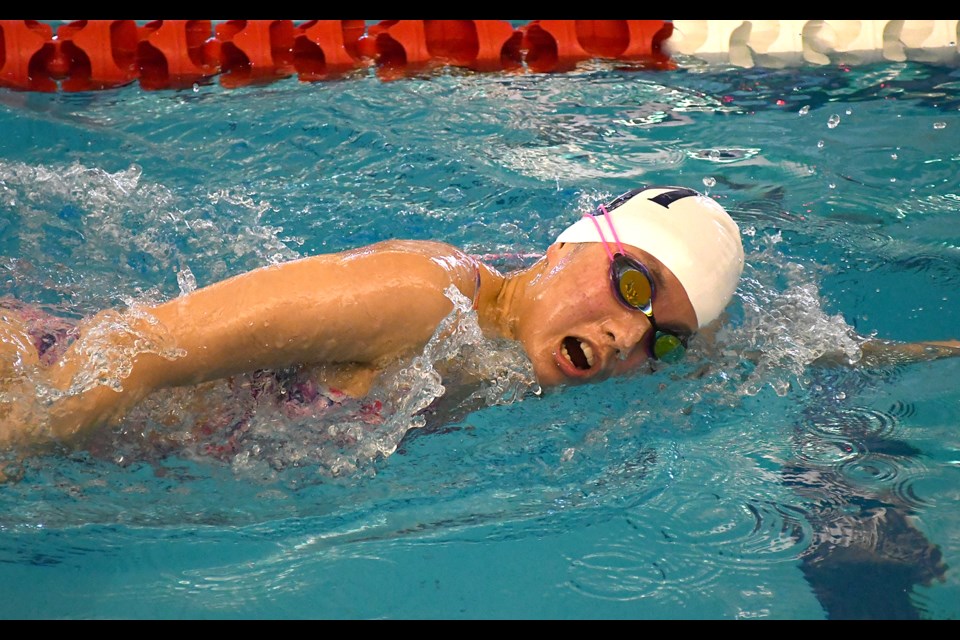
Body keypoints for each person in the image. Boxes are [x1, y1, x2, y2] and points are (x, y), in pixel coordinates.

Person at [1, 185, 958, 451]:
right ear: (566, 246)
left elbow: (785, 353)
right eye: (631, 287)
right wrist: (31, 434)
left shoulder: (522, 351)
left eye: (661, 334)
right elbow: (140, 349)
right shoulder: (420, 301)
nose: (632, 337)